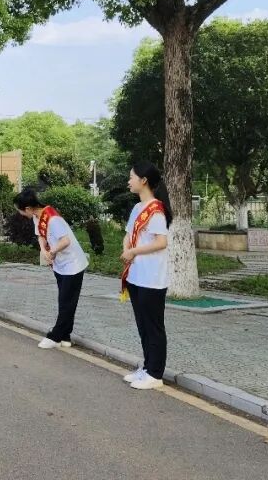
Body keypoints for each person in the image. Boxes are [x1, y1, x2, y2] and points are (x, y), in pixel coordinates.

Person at [14, 189, 90, 349]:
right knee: (64, 300)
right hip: (60, 264)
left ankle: (54, 336)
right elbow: (41, 236)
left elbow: (65, 241)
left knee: (67, 301)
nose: (21, 214)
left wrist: (52, 251)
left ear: (28, 208)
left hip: (73, 264)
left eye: (20, 210)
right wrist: (44, 250)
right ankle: (66, 335)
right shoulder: (37, 217)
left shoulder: (53, 218)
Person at [121, 161, 172, 391]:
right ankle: (147, 366)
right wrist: (127, 249)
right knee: (142, 325)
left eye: (132, 177)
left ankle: (155, 373)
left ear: (143, 181)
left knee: (153, 327)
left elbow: (161, 242)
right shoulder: (137, 208)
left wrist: (134, 252)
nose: (129, 181)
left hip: (152, 278)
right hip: (136, 276)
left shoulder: (156, 210)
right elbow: (128, 234)